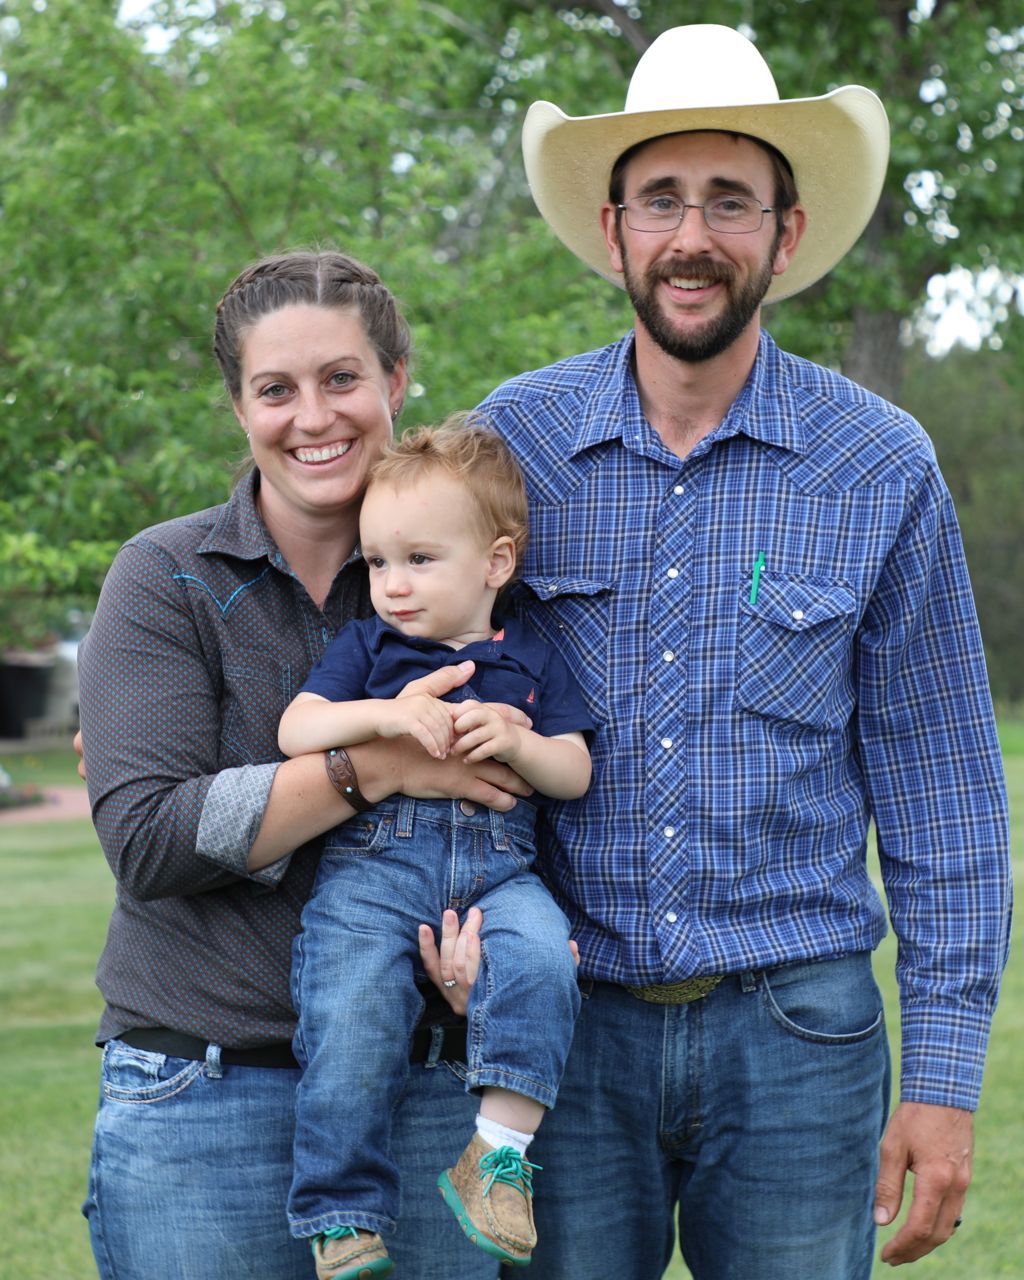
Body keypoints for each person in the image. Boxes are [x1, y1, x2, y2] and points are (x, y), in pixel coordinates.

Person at [474, 23, 1012, 1280]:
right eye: (661, 199)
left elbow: (942, 792)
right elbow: (431, 683)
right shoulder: (514, 446)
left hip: (799, 1038)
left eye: (730, 200)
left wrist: (942, 1082)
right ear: (614, 230)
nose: (693, 235)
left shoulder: (880, 464)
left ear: (786, 232)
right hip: (562, 1037)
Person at [76, 250, 524, 1280]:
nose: (313, 416)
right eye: (275, 388)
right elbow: (150, 837)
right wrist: (382, 765)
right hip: (202, 1097)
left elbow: (522, 796)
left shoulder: (458, 582)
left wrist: (497, 960)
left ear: (396, 380)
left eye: (342, 378)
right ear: (239, 406)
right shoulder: (165, 577)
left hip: (421, 1097)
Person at [277, 419, 592, 1278]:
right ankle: (342, 1212)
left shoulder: (531, 659)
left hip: (501, 871)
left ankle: (496, 1159)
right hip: (375, 868)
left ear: (496, 563)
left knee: (545, 965)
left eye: (419, 559)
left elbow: (574, 771)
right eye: (378, 561)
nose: (392, 584)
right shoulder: (370, 648)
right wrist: (386, 715)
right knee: (351, 1009)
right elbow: (297, 728)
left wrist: (519, 742)